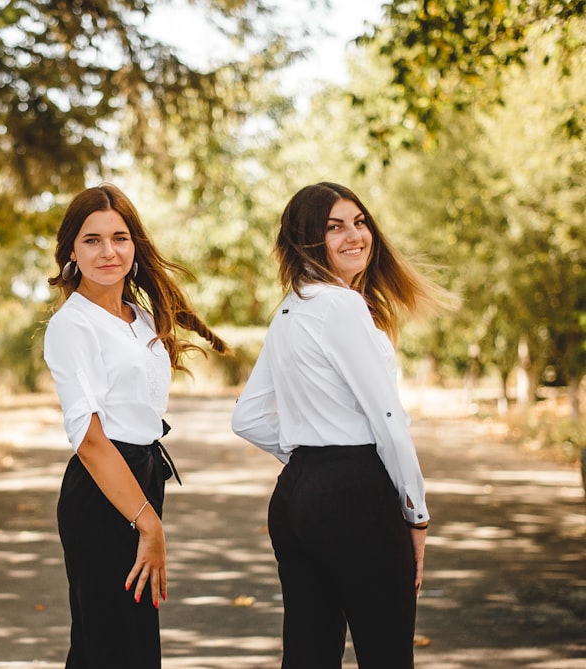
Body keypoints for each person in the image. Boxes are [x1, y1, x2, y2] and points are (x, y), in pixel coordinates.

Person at [232, 182, 452, 668]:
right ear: (306, 239)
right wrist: (416, 512)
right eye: (334, 227)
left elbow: (246, 418)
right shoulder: (342, 305)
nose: (355, 235)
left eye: (359, 221)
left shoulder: (289, 311)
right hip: (354, 496)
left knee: (309, 655)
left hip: (294, 499)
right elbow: (388, 418)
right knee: (387, 654)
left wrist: (309, 460)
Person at [43, 183, 228, 668]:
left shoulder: (141, 318)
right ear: (71, 252)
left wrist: (149, 511)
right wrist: (148, 523)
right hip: (103, 491)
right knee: (110, 641)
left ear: (134, 246)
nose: (108, 251)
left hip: (144, 475)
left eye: (120, 238)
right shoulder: (72, 325)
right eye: (92, 240)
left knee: (125, 641)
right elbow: (89, 439)